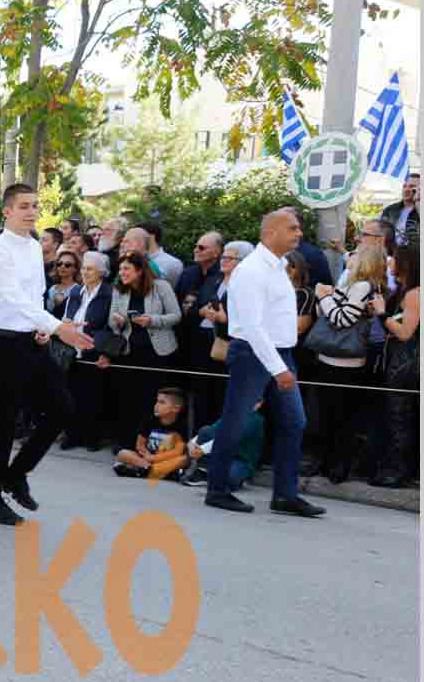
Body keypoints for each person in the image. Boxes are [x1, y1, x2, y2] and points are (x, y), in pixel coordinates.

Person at [0, 182, 93, 525]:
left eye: (35, 205)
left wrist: (43, 326)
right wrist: (57, 326)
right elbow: (13, 297)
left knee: (62, 409)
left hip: (31, 341)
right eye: (24, 206)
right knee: (4, 424)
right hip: (2, 344)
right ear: (7, 211)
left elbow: (34, 296)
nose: (32, 212)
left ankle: (15, 474)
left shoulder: (33, 246)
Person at [202, 208, 324, 517]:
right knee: (235, 422)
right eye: (292, 228)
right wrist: (279, 369)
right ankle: (217, 490)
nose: (299, 233)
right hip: (253, 355)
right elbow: (253, 327)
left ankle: (285, 495)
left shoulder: (279, 266)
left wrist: (282, 363)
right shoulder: (252, 270)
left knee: (294, 422)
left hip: (279, 354)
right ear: (271, 233)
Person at [308, 234, 389, 485]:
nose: (349, 256)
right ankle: (327, 461)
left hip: (344, 362)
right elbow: (325, 313)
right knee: (328, 414)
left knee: (341, 416)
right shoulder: (351, 284)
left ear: (363, 261)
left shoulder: (363, 286)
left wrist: (324, 297)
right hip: (330, 357)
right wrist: (326, 298)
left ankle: (338, 464)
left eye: (354, 253)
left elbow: (342, 319)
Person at [99, 251, 182, 455]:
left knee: (152, 400)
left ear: (139, 270)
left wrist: (152, 320)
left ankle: (148, 443)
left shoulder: (161, 287)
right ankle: (126, 442)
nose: (122, 273)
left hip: (157, 352)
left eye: (126, 269)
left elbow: (176, 315)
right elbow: (112, 322)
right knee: (128, 399)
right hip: (129, 351)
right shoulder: (119, 290)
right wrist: (118, 321)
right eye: (120, 269)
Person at [371, 238, 420, 488]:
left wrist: (382, 313)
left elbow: (405, 332)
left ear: (407, 264)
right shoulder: (406, 291)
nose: (390, 263)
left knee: (400, 417)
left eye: (395, 259)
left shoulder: (414, 294)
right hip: (404, 361)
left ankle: (399, 472)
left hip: (406, 362)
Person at [57, 251, 114, 451]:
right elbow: (66, 317)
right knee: (71, 394)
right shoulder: (76, 292)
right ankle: (72, 434)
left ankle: (92, 437)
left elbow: (111, 326)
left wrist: (106, 352)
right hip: (71, 350)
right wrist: (67, 324)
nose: (84, 272)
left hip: (94, 350)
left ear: (101, 272)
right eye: (83, 268)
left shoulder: (109, 293)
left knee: (93, 396)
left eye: (89, 269)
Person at [174, 231, 227, 426]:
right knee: (193, 396)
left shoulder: (223, 275)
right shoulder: (188, 273)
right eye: (196, 246)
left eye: (202, 247)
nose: (196, 250)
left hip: (215, 343)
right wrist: (198, 312)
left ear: (217, 252)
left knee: (215, 397)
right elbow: (178, 305)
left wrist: (201, 312)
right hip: (188, 342)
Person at [177, 399, 265, 490]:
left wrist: (202, 450)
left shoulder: (255, 420)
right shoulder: (232, 415)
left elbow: (231, 438)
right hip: (220, 456)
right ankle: (202, 470)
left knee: (230, 478)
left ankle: (211, 475)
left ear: (259, 404)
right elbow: (210, 430)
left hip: (240, 460)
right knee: (205, 431)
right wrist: (192, 443)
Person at [113, 386, 188, 480]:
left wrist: (154, 458)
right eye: (157, 401)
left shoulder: (182, 425)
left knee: (184, 459)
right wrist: (147, 456)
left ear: (176, 408)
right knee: (122, 453)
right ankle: (151, 470)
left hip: (165, 459)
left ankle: (141, 470)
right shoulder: (149, 420)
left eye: (162, 402)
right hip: (146, 457)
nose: (156, 405)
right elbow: (140, 445)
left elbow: (178, 452)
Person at [378, 171, 420, 251]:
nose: (406, 189)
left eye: (412, 187)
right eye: (405, 186)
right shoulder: (390, 210)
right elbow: (380, 231)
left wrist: (418, 201)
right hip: (391, 252)